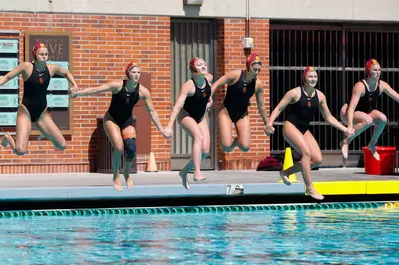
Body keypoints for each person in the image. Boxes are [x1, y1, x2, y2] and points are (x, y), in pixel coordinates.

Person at [75, 62, 172, 191]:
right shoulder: (117, 85)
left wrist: (161, 128)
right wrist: (78, 93)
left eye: (138, 72)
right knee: (119, 148)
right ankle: (116, 175)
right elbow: (96, 89)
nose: (136, 75)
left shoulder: (143, 91)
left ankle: (126, 174)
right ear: (128, 74)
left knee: (131, 150)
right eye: (134, 72)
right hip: (111, 119)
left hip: (127, 121)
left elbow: (152, 111)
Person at [265, 67, 354, 201]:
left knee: (317, 160)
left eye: (315, 77)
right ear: (304, 78)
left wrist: (344, 128)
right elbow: (278, 108)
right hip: (290, 127)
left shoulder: (320, 96)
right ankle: (310, 187)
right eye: (310, 77)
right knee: (306, 153)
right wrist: (269, 123)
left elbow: (328, 117)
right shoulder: (294, 93)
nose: (313, 79)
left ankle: (286, 172)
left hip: (304, 129)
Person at [0, 42, 79, 156]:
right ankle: (7, 137)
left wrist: (74, 85)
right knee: (20, 151)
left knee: (62, 145)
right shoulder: (27, 67)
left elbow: (66, 72)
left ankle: (43, 130)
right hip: (26, 112)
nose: (44, 56)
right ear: (35, 55)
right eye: (41, 54)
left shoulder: (51, 69)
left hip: (42, 114)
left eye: (46, 54)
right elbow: (8, 76)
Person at [339, 59, 399, 164]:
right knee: (368, 120)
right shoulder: (360, 86)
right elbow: (351, 109)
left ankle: (372, 144)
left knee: (383, 118)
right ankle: (346, 141)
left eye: (379, 70)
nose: (377, 72)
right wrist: (349, 126)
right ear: (368, 71)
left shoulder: (381, 85)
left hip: (365, 112)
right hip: (347, 112)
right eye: (374, 70)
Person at [165, 57, 213, 190]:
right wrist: (169, 125)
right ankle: (197, 172)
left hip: (200, 117)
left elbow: (208, 95)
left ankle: (184, 172)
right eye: (199, 65)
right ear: (193, 70)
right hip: (186, 116)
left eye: (204, 64)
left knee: (204, 151)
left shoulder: (208, 79)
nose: (203, 66)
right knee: (199, 137)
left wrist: (210, 102)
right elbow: (177, 106)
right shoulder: (188, 86)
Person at [211, 54, 268, 152]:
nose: (257, 72)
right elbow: (216, 85)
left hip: (242, 114)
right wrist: (208, 99)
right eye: (254, 69)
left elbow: (261, 106)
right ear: (248, 66)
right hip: (226, 112)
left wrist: (267, 124)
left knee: (245, 147)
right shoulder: (235, 75)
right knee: (225, 146)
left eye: (259, 69)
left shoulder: (258, 84)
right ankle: (226, 142)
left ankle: (236, 142)